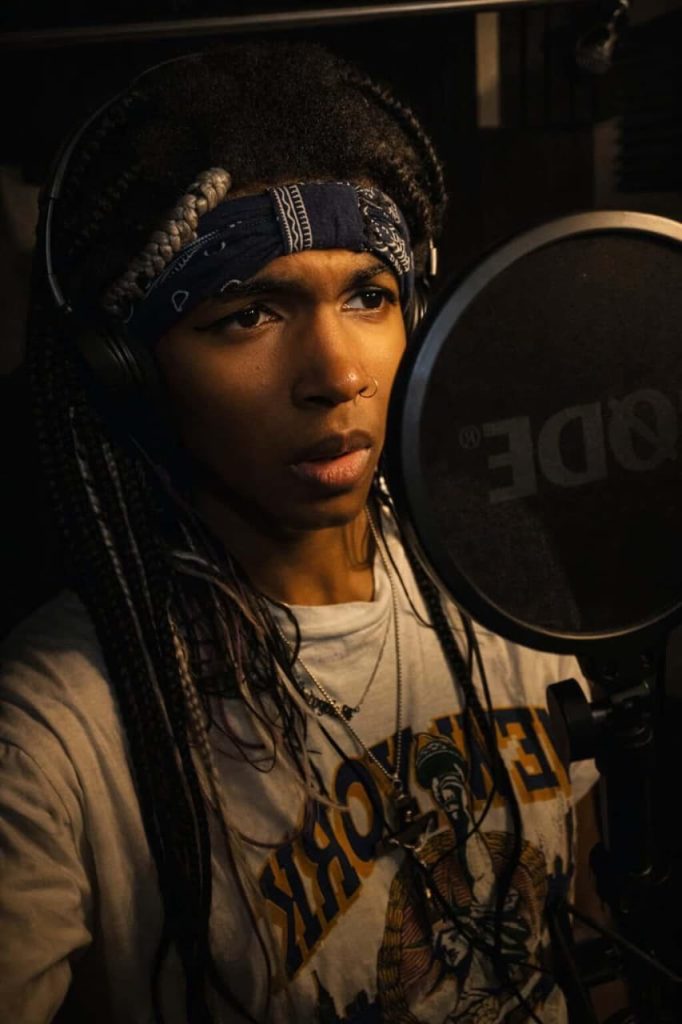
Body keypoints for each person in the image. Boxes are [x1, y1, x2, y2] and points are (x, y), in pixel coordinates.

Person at [0, 40, 600, 1024]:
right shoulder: (55, 724)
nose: (337, 374)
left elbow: (582, 927)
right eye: (248, 314)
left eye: (369, 296)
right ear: (132, 374)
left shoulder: (499, 577)